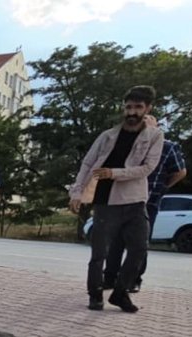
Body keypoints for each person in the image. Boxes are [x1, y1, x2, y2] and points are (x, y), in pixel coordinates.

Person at [69, 86, 164, 313]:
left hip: (134, 200)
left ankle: (121, 293)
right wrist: (76, 193)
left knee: (139, 249)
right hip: (106, 201)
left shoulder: (154, 136)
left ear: (147, 109)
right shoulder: (108, 135)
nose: (132, 112)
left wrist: (114, 173)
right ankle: (95, 294)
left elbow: (147, 168)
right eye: (128, 107)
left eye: (138, 107)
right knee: (99, 252)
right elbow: (87, 163)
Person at [101, 114, 186, 292]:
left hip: (149, 200)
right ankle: (109, 277)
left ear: (156, 127)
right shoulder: (129, 143)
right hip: (123, 197)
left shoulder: (168, 147)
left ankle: (134, 280)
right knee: (116, 240)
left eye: (148, 124)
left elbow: (180, 171)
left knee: (139, 243)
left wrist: (163, 187)